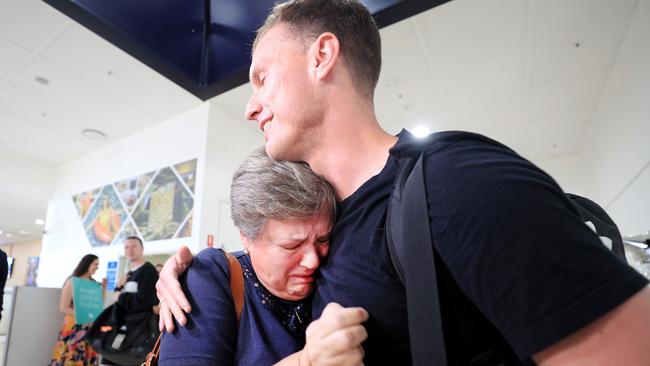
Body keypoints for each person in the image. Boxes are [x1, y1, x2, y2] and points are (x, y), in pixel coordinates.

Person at [157, 1, 650, 365]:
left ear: (321, 55)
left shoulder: (456, 180)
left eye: (262, 77)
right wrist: (189, 269)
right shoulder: (327, 218)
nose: (249, 106)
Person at [159, 148, 367, 366]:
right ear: (247, 237)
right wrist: (305, 361)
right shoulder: (211, 274)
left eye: (323, 240)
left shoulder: (335, 266)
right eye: (291, 245)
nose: (313, 261)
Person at [106, 236, 159, 366]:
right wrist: (118, 288)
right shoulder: (128, 273)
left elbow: (145, 300)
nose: (129, 250)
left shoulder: (148, 270)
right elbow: (119, 298)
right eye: (126, 247)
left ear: (142, 248)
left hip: (140, 332)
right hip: (124, 329)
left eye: (134, 246)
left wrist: (120, 297)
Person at [50, 254, 101, 366]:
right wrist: (83, 314)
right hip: (73, 327)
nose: (97, 267)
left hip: (89, 328)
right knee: (70, 356)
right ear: (87, 263)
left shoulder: (94, 284)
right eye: (95, 264)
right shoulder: (72, 282)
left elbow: (96, 307)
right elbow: (63, 307)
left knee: (86, 358)